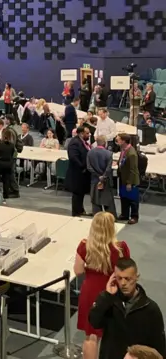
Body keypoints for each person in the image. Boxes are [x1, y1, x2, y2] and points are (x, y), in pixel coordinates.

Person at [74, 212, 130, 359]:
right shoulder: (121, 248)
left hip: (90, 292)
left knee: (91, 337)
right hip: (112, 292)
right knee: (113, 335)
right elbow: (127, 272)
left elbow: (78, 271)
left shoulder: (84, 246)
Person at [89, 258, 166, 359]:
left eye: (127, 278)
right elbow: (94, 322)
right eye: (119, 278)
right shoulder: (109, 301)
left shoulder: (150, 309)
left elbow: (159, 346)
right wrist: (106, 297)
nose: (123, 283)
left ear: (136, 277)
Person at [87, 136, 117, 217]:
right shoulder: (109, 153)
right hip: (106, 180)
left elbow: (89, 167)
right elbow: (108, 168)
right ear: (105, 143)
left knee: (95, 201)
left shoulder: (90, 152)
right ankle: (111, 218)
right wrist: (103, 176)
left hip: (95, 180)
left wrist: (98, 176)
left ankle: (97, 218)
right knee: (108, 201)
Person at [66, 126, 92, 217]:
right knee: (77, 193)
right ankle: (76, 212)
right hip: (77, 172)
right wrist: (82, 166)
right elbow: (73, 157)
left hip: (83, 173)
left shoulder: (83, 142)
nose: (89, 135)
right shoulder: (74, 143)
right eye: (87, 133)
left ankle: (81, 210)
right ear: (81, 133)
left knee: (81, 192)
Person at [117, 134, 140, 224]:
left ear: (123, 141)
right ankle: (125, 214)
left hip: (131, 180)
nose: (117, 141)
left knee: (133, 199)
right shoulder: (123, 150)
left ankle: (134, 216)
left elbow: (133, 169)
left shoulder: (131, 153)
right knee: (124, 198)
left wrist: (129, 183)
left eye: (118, 139)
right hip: (123, 178)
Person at [0, 127, 16, 201]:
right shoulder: (12, 145)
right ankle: (6, 195)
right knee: (6, 180)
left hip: (0, 163)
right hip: (8, 164)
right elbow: (12, 155)